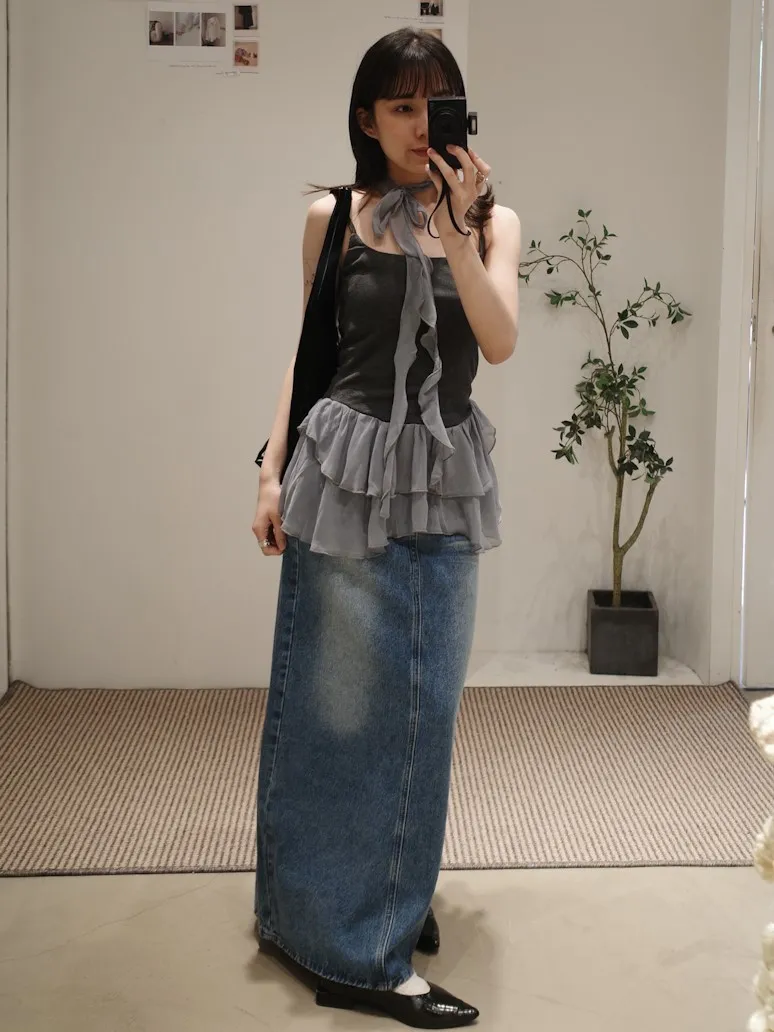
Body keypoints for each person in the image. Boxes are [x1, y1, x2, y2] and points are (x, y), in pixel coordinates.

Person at [251, 27, 520, 1029]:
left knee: (419, 711)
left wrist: (455, 229)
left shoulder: (494, 222)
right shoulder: (333, 216)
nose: (417, 125)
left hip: (443, 484)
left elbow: (498, 340)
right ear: (366, 118)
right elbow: (307, 353)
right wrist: (270, 473)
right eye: (399, 107)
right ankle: (345, 946)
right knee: (329, 714)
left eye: (433, 105)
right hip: (342, 476)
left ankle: (382, 900)